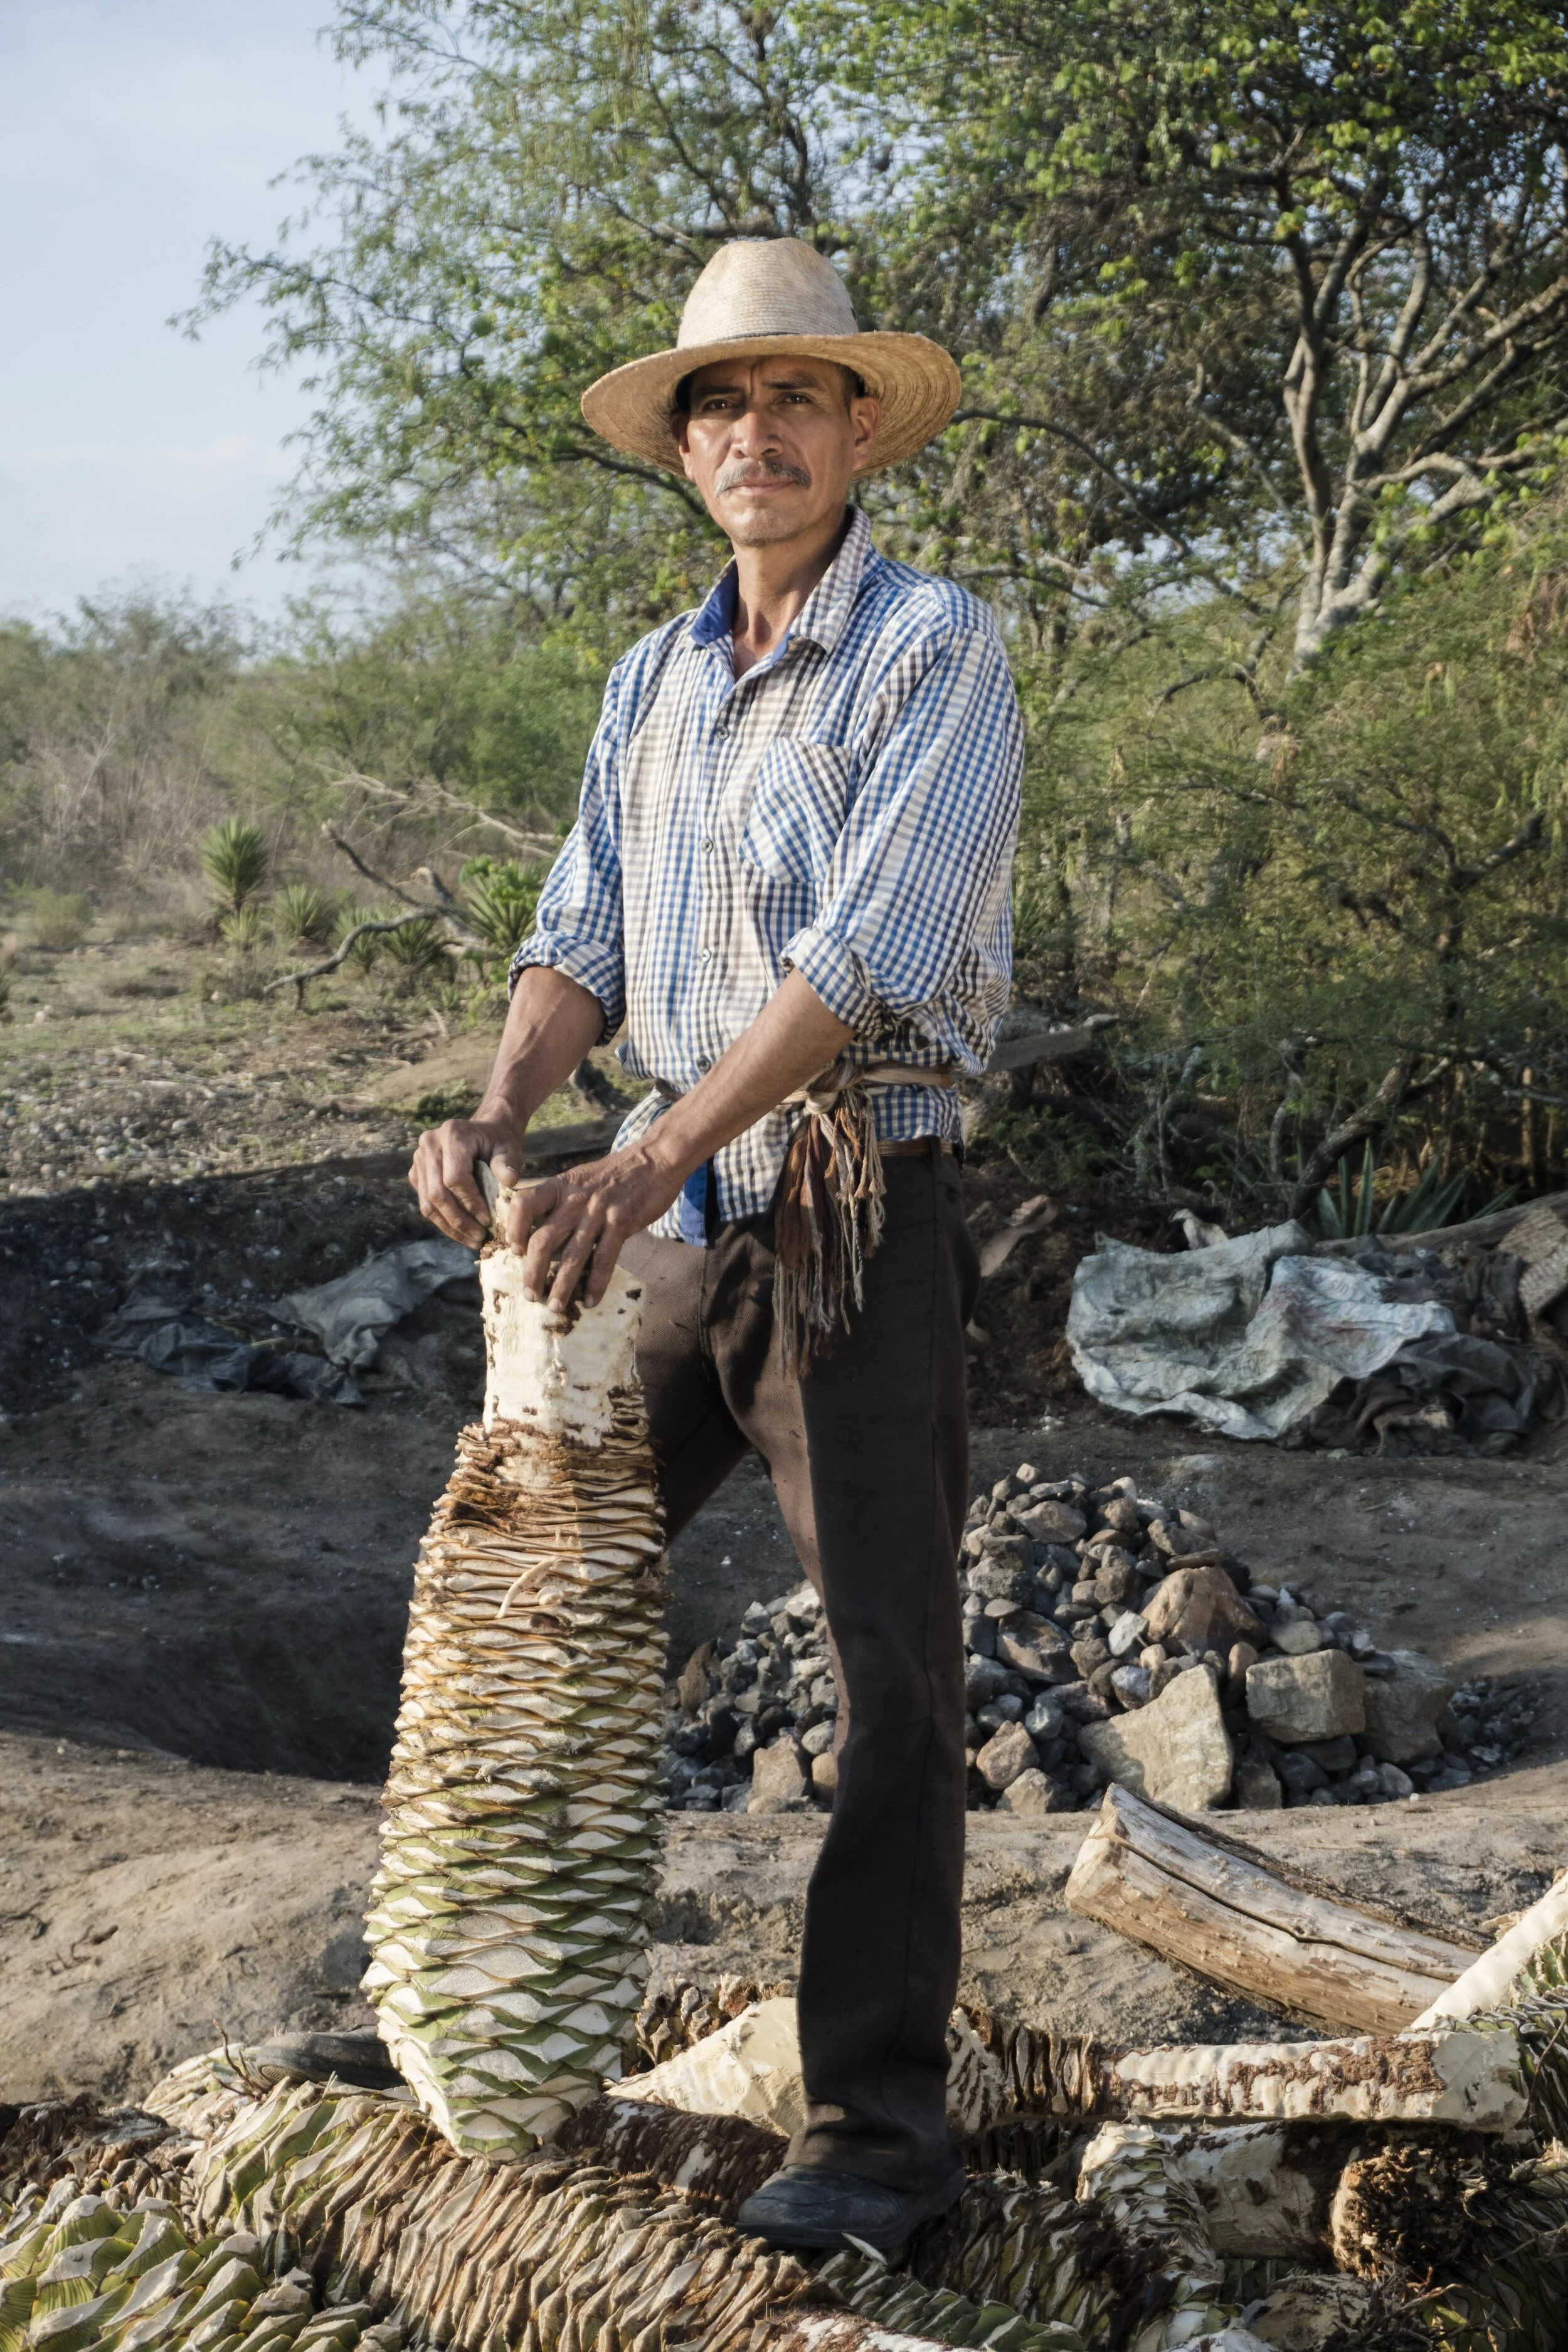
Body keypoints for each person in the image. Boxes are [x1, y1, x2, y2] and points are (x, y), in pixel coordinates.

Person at [411, 236, 1023, 2249]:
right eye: (719, 405)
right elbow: (577, 935)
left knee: (887, 1675)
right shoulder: (651, 680)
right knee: (524, 1593)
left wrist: (648, 1146)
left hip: (853, 1212)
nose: (755, 434)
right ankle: (483, 2036)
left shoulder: (932, 647)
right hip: (669, 1215)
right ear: (682, 451)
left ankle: (878, 2139)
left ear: (857, 431)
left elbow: (866, 954)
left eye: (792, 398)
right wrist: (504, 1109)